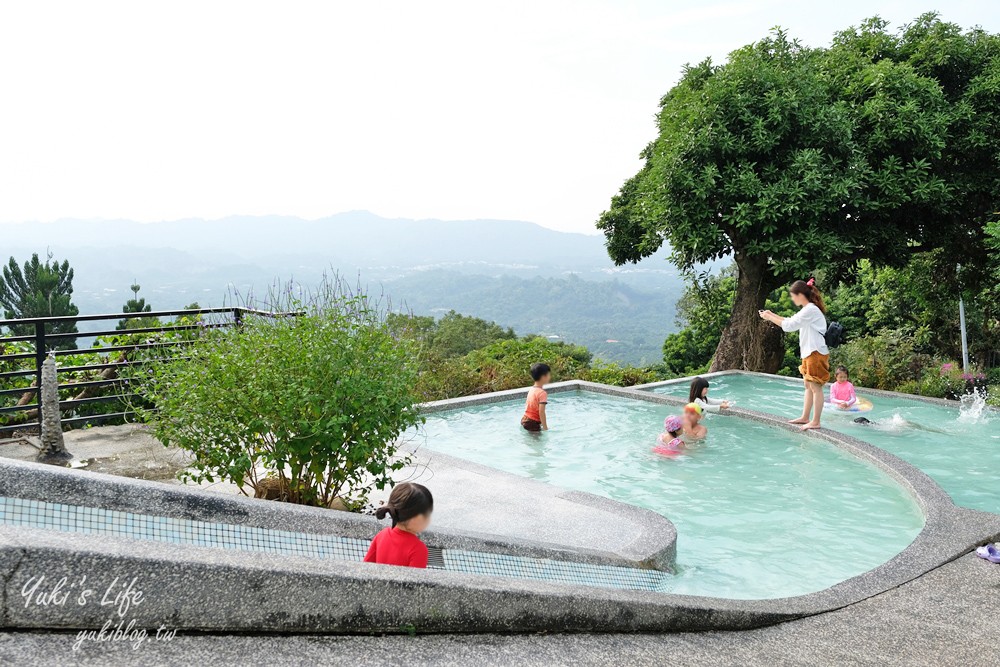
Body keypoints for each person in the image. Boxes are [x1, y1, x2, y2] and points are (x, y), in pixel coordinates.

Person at [759, 278, 830, 430]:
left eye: (793, 295)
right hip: (809, 352)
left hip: (815, 352)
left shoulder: (810, 309)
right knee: (808, 386)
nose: (792, 299)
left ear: (800, 295)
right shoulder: (807, 309)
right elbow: (790, 320)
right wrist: (772, 314)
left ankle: (815, 421)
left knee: (816, 387)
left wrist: (769, 317)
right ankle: (805, 417)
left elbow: (789, 326)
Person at [364, 482, 433, 568]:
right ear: (414, 518)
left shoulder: (382, 535)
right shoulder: (418, 549)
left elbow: (365, 567)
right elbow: (416, 581)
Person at [521, 362, 551, 432]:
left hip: (525, 419)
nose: (550, 377)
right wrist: (545, 428)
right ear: (544, 377)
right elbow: (541, 412)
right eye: (549, 375)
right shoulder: (542, 393)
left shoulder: (532, 389)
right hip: (533, 423)